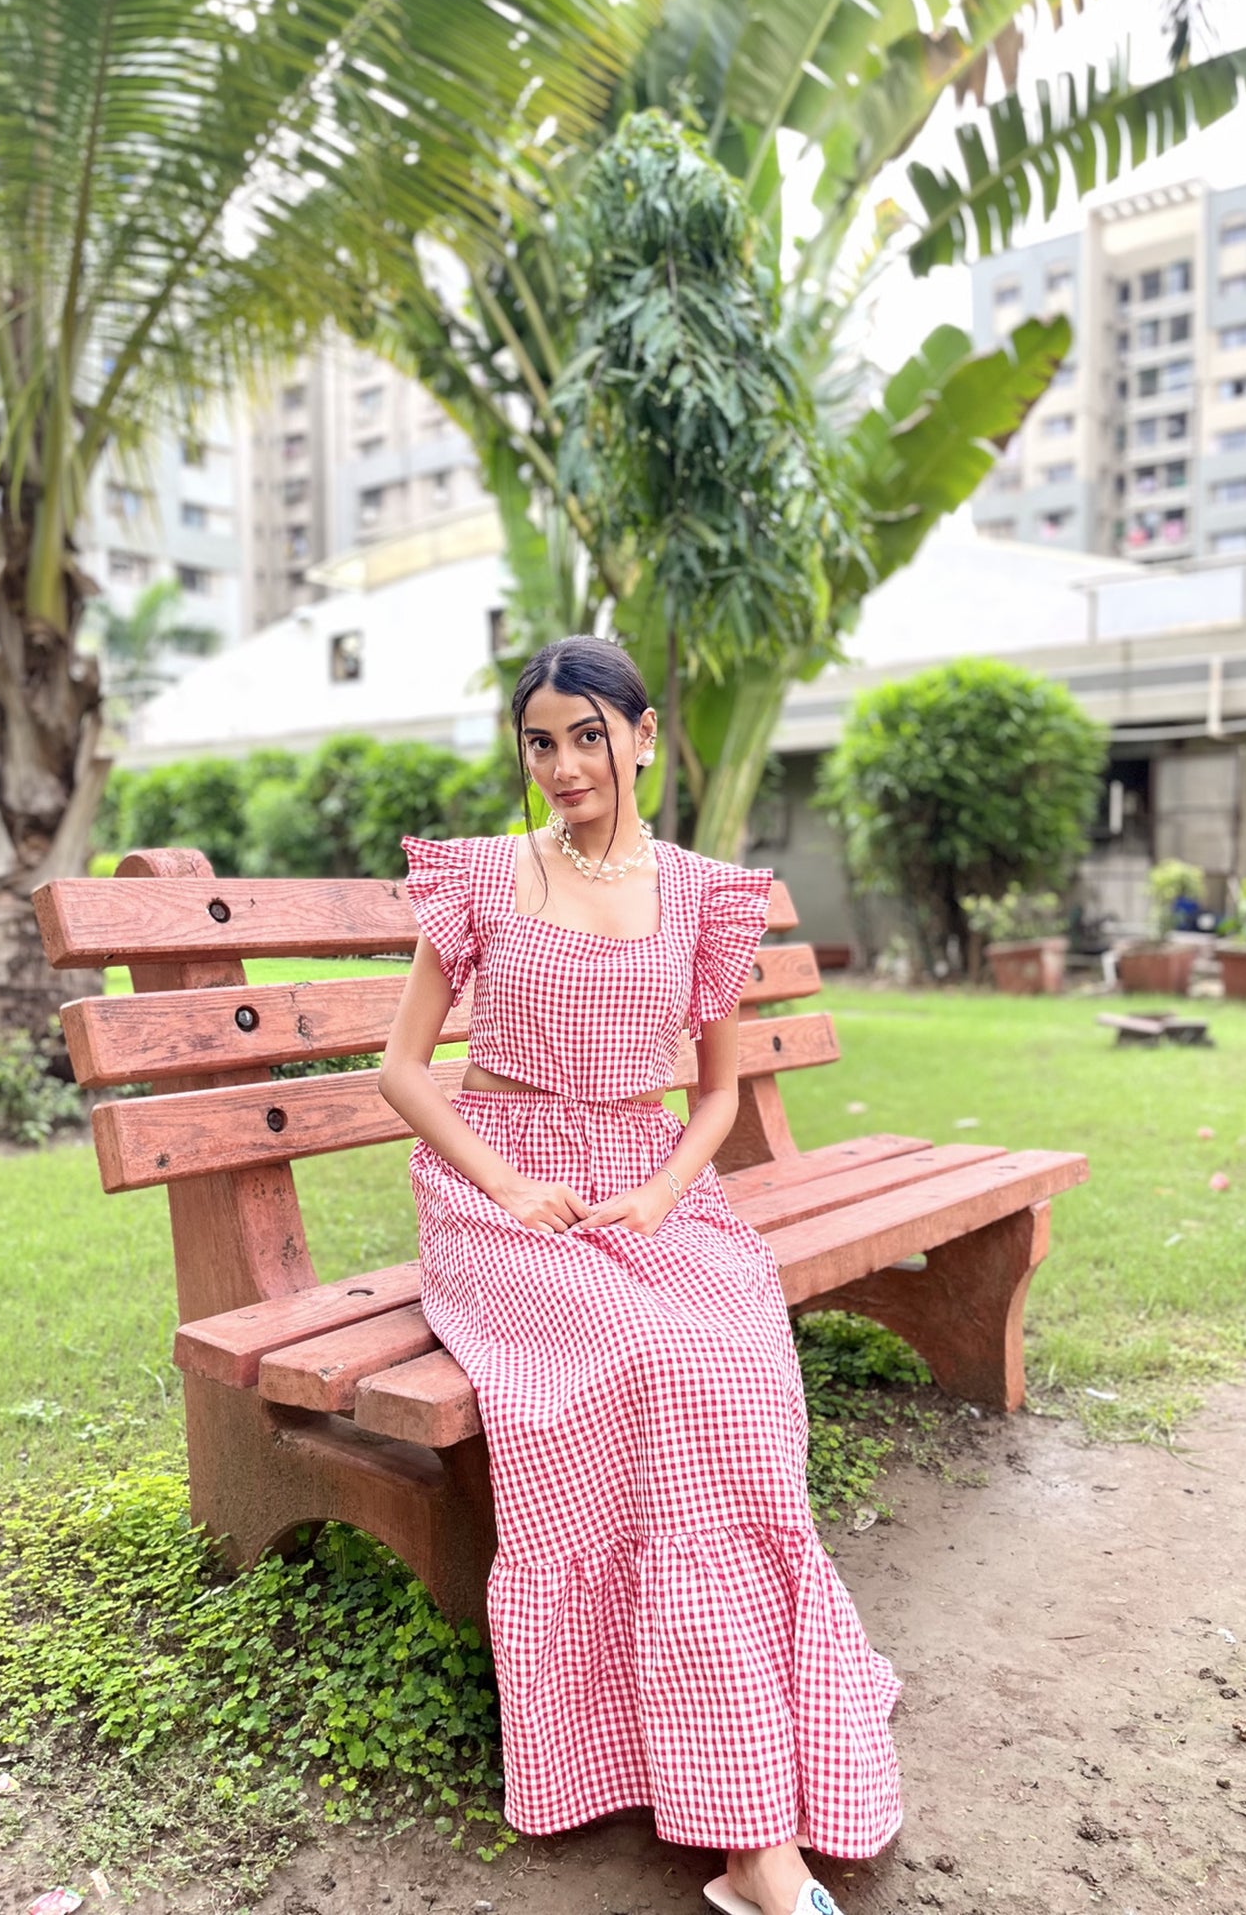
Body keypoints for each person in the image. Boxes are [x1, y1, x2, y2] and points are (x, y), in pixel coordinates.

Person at [378, 638, 902, 1915]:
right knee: (656, 1366)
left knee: (735, 1365)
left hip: (649, 1185)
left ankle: (759, 1771)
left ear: (645, 732)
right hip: (503, 1198)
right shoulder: (487, 878)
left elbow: (716, 1090)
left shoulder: (699, 894)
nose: (562, 767)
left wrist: (664, 1191)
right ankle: (753, 1851)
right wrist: (506, 1184)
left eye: (585, 737)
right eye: (539, 743)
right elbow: (400, 1073)